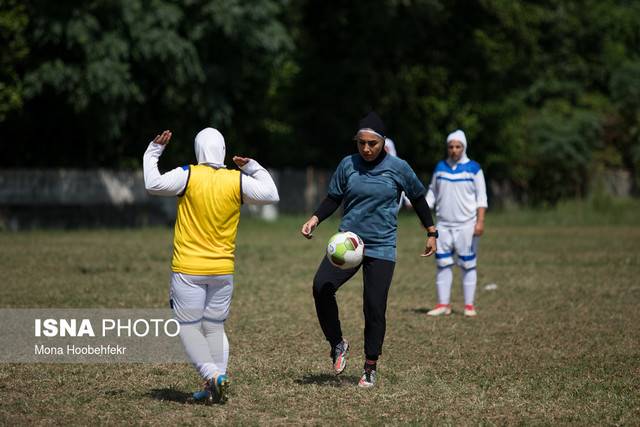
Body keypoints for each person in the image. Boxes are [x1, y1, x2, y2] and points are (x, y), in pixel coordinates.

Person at [300, 112, 438, 388]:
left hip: (381, 246)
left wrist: (431, 231)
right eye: (361, 143)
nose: (366, 149)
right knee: (320, 287)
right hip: (347, 243)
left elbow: (418, 198)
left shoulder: (399, 168)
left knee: (374, 307)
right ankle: (337, 343)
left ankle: (370, 366)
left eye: (372, 143)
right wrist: (315, 218)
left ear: (383, 142)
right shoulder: (348, 165)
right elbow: (333, 197)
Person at [143, 128, 279, 403]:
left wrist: (153, 151)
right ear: (224, 151)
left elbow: (152, 184)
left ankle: (213, 374)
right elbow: (271, 193)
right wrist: (253, 167)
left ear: (197, 150)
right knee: (215, 328)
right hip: (223, 271)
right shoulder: (235, 180)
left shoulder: (189, 175)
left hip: (188, 269)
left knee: (188, 328)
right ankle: (214, 387)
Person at [425, 129, 487, 317]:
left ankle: (469, 306)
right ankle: (443, 304)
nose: (454, 150)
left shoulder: (474, 168)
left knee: (467, 264)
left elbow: (481, 198)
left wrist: (480, 222)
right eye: (451, 146)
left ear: (464, 147)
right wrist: (423, 211)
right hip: (443, 225)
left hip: (467, 225)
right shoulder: (440, 167)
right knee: (443, 264)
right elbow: (432, 192)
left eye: (457, 146)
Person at [384, 138, 412, 210]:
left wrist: (408, 201)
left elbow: (405, 184)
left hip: (394, 202)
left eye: (386, 148)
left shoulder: (399, 166)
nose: (384, 150)